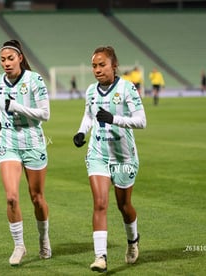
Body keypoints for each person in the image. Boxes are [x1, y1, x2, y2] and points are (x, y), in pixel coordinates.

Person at [73, 46, 146, 273]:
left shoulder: (127, 88)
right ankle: (100, 257)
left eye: (102, 64)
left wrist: (114, 118)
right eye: (94, 65)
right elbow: (88, 115)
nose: (97, 69)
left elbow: (141, 121)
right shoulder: (91, 91)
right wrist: (81, 132)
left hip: (124, 156)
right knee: (100, 203)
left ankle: (133, 241)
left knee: (124, 206)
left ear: (114, 65)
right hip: (98, 154)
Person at [0, 39, 52, 266]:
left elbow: (45, 114)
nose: (6, 63)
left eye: (10, 58)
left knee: (37, 198)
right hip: (8, 142)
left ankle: (44, 239)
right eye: (3, 59)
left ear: (20, 58)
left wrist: (16, 107)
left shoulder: (34, 80)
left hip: (34, 142)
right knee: (11, 197)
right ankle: (19, 246)